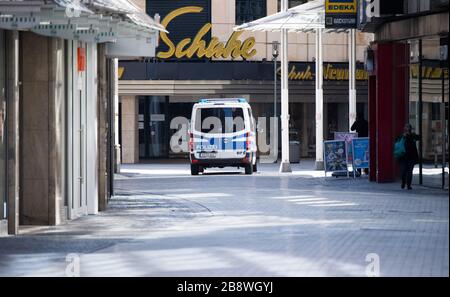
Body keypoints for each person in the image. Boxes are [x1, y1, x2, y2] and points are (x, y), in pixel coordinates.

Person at [397, 123, 420, 190]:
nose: (407, 128)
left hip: (411, 157)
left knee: (410, 171)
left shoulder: (412, 135)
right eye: (406, 127)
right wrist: (403, 137)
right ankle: (403, 183)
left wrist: (412, 135)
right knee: (404, 171)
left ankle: (409, 185)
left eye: (408, 127)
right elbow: (397, 141)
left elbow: (419, 137)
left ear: (410, 128)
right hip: (404, 157)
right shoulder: (402, 136)